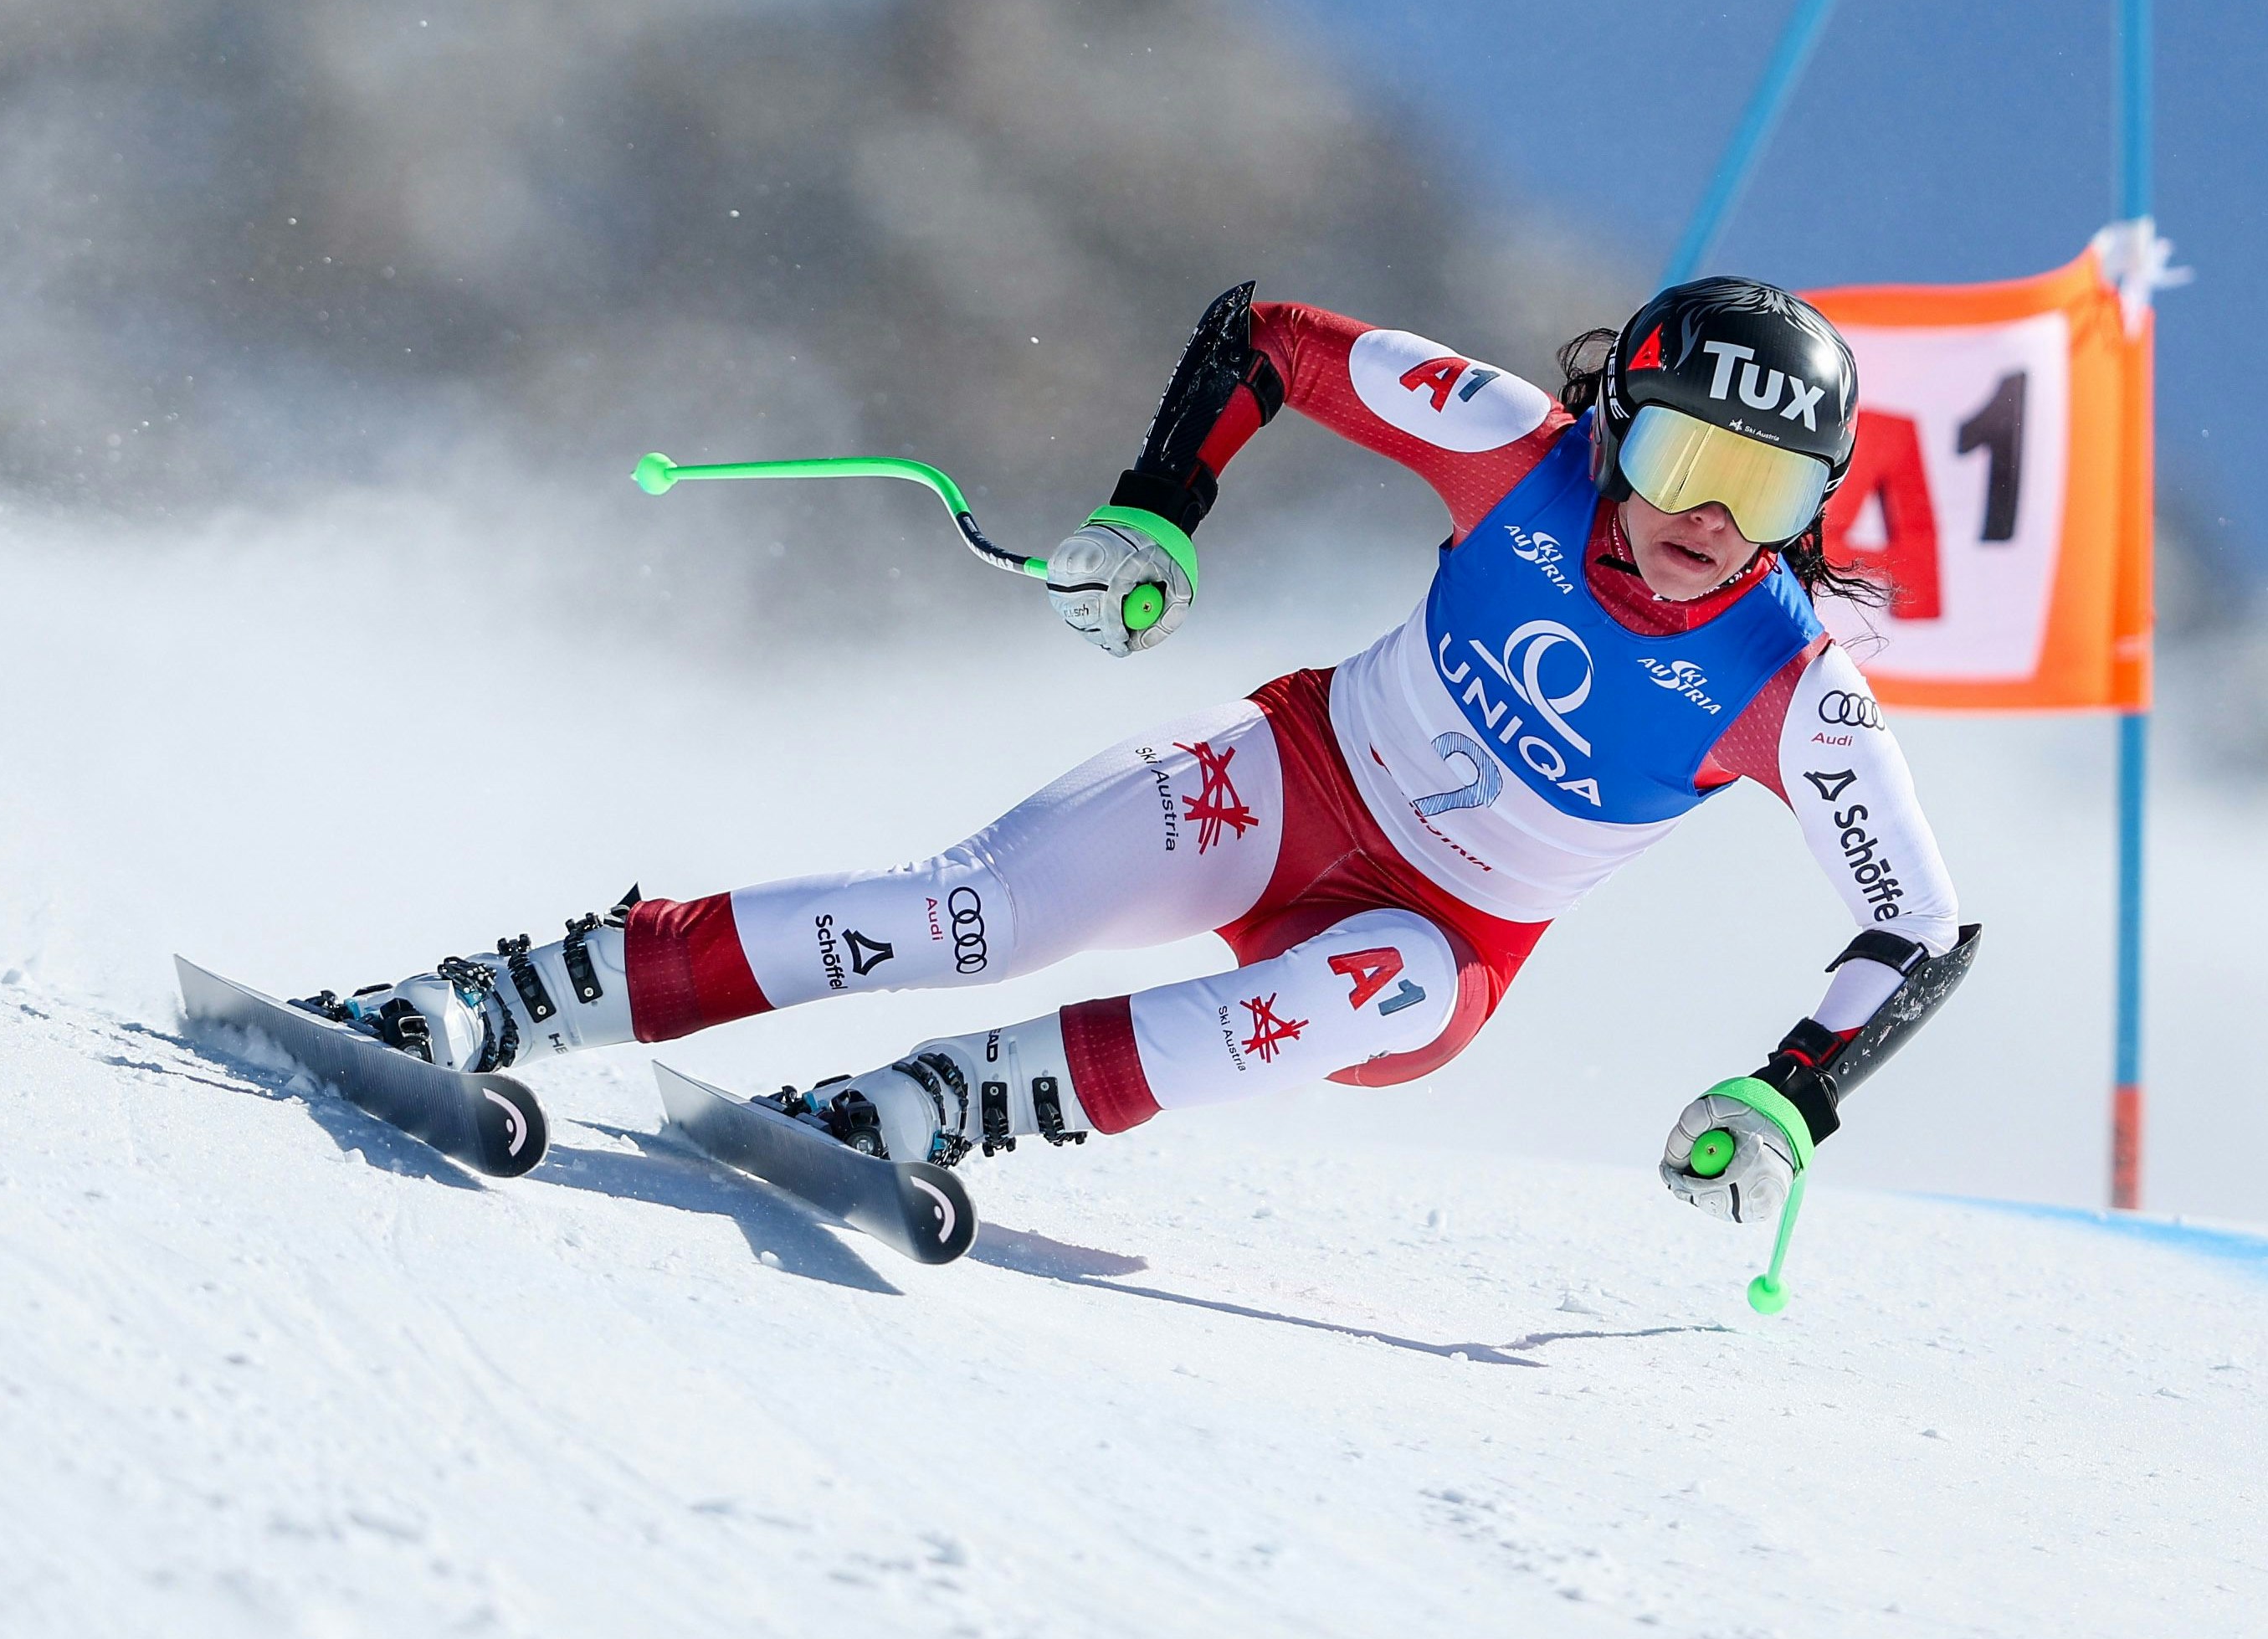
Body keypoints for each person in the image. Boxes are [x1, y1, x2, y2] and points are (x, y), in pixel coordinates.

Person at [332, 277, 1975, 1226]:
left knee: (1366, 980)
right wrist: (1153, 514)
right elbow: (1264, 334)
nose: (1703, 519)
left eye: (1759, 492)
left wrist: (1789, 1095)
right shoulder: (1514, 450)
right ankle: (516, 995)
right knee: (972, 911)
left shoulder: (1793, 686)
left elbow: (1918, 918)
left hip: (1438, 942)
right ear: (1614, 422)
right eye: (1684, 453)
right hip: (1293, 775)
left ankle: (927, 1107)